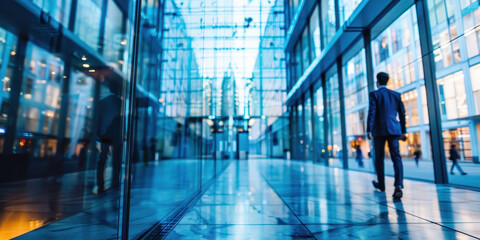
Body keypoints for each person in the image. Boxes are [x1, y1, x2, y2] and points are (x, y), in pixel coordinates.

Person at [367, 72, 407, 199]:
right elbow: (402, 114)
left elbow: (372, 112)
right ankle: (398, 186)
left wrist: (369, 130)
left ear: (377, 82)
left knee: (379, 158)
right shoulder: (396, 95)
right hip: (394, 130)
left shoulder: (374, 94)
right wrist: (403, 130)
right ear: (387, 81)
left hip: (379, 131)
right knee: (396, 157)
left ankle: (381, 184)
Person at [95, 79, 122, 194]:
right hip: (116, 135)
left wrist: (98, 136)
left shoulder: (102, 102)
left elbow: (98, 120)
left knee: (102, 161)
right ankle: (115, 183)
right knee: (116, 161)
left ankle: (100, 184)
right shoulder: (119, 102)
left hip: (104, 135)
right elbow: (121, 120)